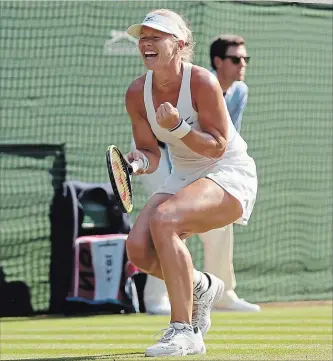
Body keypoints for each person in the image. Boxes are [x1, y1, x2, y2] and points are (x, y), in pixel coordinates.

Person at [125, 8, 257, 357]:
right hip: (182, 174)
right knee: (138, 250)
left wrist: (179, 128)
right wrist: (138, 163)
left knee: (164, 219)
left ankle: (185, 331)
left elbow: (217, 145)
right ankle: (203, 285)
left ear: (179, 44)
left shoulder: (202, 81)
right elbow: (149, 152)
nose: (146, 43)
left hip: (228, 171)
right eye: (143, 37)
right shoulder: (137, 92)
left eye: (156, 37)